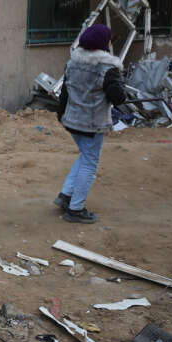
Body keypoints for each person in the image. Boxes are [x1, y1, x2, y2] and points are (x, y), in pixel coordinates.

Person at [54, 24, 127, 224]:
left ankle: (66, 195)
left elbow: (65, 93)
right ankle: (75, 209)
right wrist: (121, 87)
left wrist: (61, 115)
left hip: (72, 120)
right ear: (104, 43)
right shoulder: (108, 68)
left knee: (86, 156)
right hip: (92, 124)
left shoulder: (73, 62)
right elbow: (118, 97)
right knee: (90, 163)